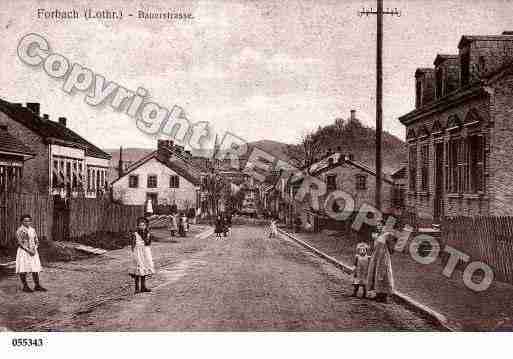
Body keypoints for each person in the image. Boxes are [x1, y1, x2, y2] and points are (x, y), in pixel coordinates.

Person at [16, 214, 47, 293]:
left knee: (35, 268)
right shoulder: (20, 230)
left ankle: (37, 285)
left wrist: (34, 249)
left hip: (33, 251)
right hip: (24, 251)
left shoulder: (32, 230)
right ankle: (25, 286)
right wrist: (28, 250)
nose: (27, 222)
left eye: (29, 221)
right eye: (25, 221)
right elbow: (20, 243)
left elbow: (36, 240)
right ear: (22, 222)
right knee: (23, 268)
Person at [367, 222, 395, 303]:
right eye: (378, 225)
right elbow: (373, 247)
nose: (379, 227)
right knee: (375, 273)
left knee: (383, 274)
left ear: (384, 226)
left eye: (380, 225)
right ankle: (378, 294)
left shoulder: (387, 235)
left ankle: (384, 296)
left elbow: (392, 248)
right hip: (376, 257)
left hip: (383, 257)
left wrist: (388, 249)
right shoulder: (376, 235)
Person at [129, 217, 154, 293]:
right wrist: (133, 253)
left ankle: (143, 287)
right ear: (138, 226)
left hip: (145, 252)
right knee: (138, 269)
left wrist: (148, 237)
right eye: (140, 225)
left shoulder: (147, 233)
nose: (142, 227)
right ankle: (137, 288)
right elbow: (133, 244)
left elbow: (148, 243)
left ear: (146, 226)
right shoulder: (135, 234)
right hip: (138, 252)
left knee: (144, 268)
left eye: (143, 225)